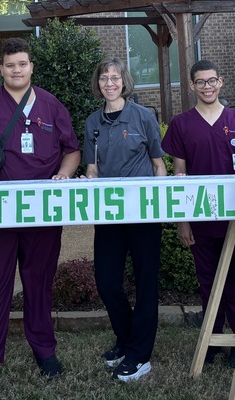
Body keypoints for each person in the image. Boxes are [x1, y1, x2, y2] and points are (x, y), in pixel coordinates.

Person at [0, 37, 80, 399]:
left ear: (31, 67)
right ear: (1, 69)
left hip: (41, 210)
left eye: (22, 64)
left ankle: (45, 351)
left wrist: (65, 174)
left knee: (39, 282)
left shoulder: (52, 105)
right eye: (10, 65)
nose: (17, 70)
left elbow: (71, 151)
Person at [161, 59, 235, 364]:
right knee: (207, 281)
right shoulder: (182, 124)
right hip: (201, 217)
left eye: (211, 81)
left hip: (234, 218)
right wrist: (183, 220)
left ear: (221, 82)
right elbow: (179, 174)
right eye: (200, 82)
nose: (206, 87)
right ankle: (213, 340)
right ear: (192, 86)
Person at [83, 58, 167, 383]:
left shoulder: (144, 116)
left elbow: (159, 165)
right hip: (109, 213)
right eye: (104, 78)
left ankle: (139, 356)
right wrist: (86, 182)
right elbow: (92, 169)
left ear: (124, 81)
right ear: (99, 83)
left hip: (144, 213)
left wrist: (160, 203)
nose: (109, 83)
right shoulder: (92, 122)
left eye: (115, 77)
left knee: (146, 284)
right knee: (106, 281)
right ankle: (126, 339)